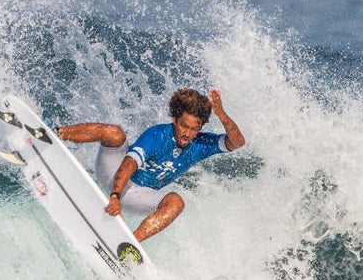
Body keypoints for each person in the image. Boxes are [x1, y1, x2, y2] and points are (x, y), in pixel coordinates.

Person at [55, 88, 245, 242]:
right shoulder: (158, 135)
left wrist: (220, 114)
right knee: (114, 133)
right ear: (174, 120)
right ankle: (54, 133)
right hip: (116, 176)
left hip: (138, 196)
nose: (187, 133)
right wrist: (115, 195)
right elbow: (129, 163)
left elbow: (237, 143)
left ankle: (127, 245)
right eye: (184, 126)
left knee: (176, 202)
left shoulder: (201, 144)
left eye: (194, 128)